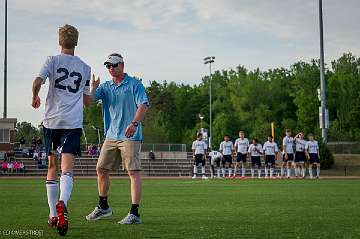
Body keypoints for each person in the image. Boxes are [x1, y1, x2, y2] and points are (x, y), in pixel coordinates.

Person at [32, 24, 91, 236]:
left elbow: (37, 81)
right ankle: (62, 203)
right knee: (67, 169)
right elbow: (86, 102)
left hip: (51, 122)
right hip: (73, 123)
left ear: (60, 41)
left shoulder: (52, 60)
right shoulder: (85, 67)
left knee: (51, 166)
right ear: (76, 42)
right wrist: (92, 88)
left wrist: (34, 96)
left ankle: (52, 214)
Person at [86, 53, 149, 225]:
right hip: (111, 135)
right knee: (101, 169)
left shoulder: (134, 84)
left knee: (133, 172)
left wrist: (134, 123)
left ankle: (134, 213)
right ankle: (103, 206)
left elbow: (143, 105)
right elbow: (89, 101)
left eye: (114, 65)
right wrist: (92, 88)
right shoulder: (105, 87)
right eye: (108, 66)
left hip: (130, 135)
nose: (111, 69)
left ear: (122, 65)